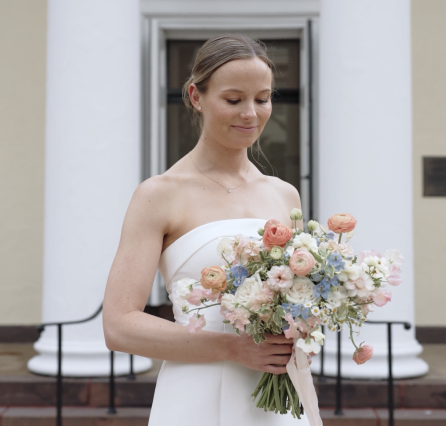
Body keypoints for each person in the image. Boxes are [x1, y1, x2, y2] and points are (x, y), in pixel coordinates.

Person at [103, 34, 307, 425]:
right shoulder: (159, 194)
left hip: (278, 398)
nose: (251, 113)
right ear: (196, 97)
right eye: (233, 100)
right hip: (198, 394)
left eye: (262, 99)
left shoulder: (285, 195)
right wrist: (231, 348)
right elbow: (119, 325)